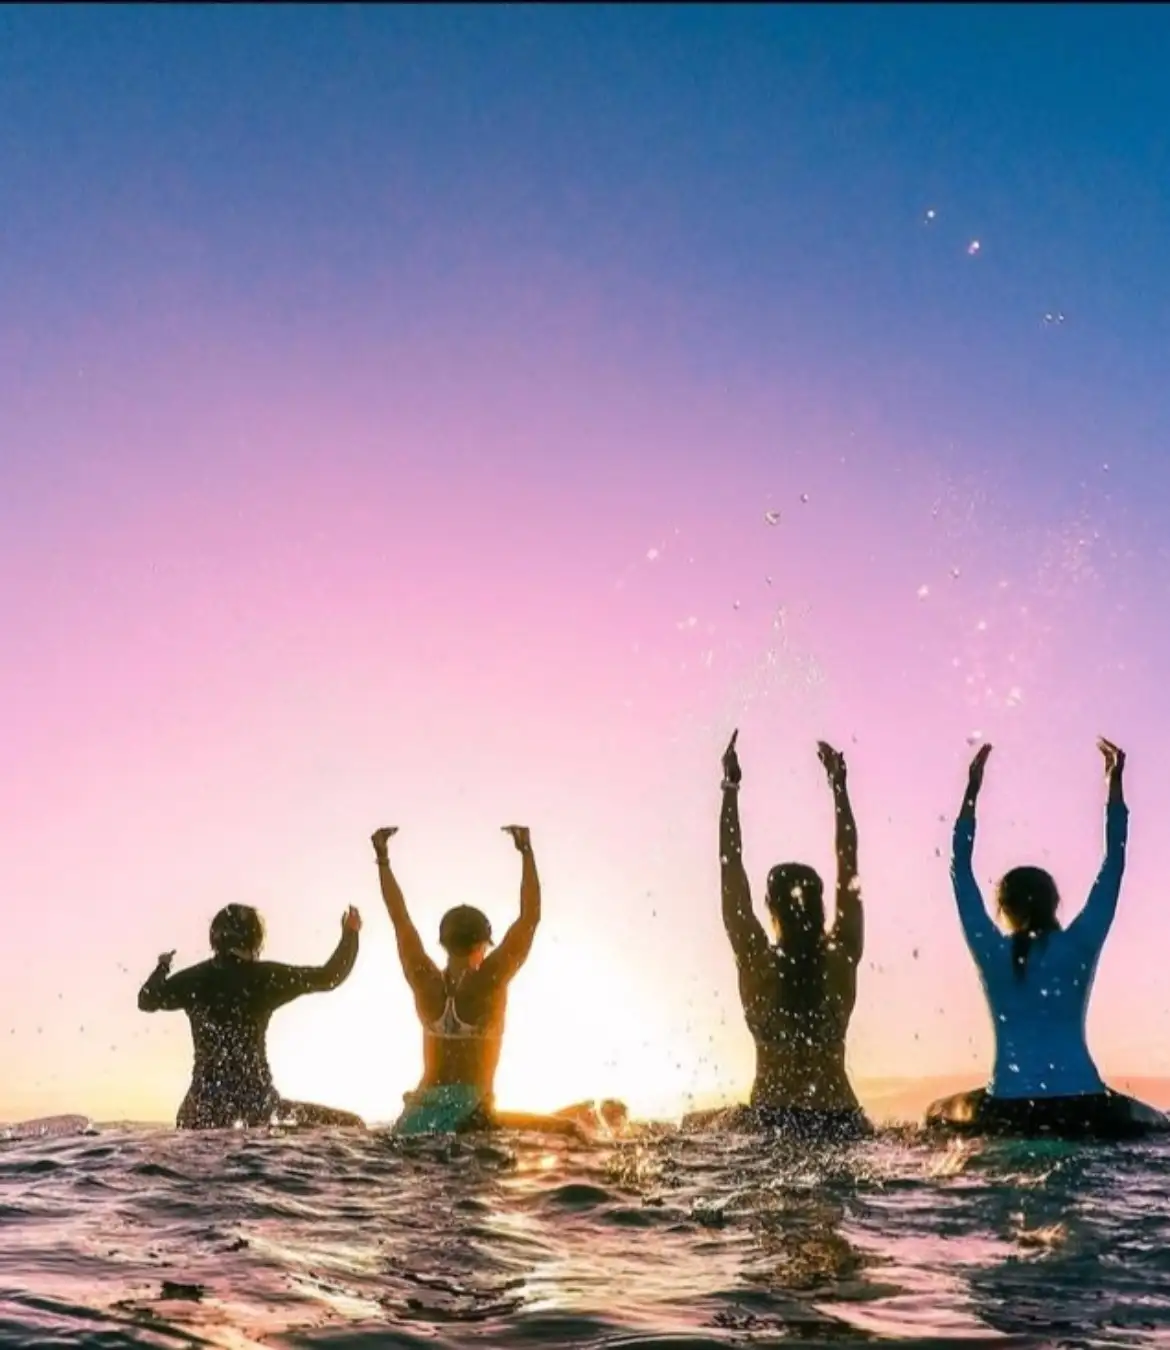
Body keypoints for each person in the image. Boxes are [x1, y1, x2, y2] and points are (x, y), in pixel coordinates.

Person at [927, 738, 1167, 1139]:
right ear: (1056, 901)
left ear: (1001, 908)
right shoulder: (1080, 944)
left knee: (935, 1111)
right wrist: (1114, 785)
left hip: (1005, 1109)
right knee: (1158, 1120)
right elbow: (1114, 864)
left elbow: (961, 872)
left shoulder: (991, 951)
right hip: (1087, 1107)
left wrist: (971, 792)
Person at [685, 731, 870, 1141]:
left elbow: (729, 867)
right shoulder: (843, 955)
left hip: (771, 1123)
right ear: (821, 904)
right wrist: (839, 790)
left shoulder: (755, 960)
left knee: (691, 1125)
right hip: (842, 1122)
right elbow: (848, 862)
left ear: (769, 905)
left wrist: (730, 788)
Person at [373, 823, 582, 1136]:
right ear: (482, 945)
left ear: (443, 942)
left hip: (415, 1120)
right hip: (471, 1117)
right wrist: (526, 852)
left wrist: (383, 858)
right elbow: (530, 917)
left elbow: (399, 916)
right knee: (570, 1130)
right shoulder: (488, 983)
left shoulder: (423, 980)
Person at [138, 903, 365, 1130]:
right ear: (256, 938)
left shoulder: (194, 979)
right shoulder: (266, 978)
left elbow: (146, 1000)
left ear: (215, 938)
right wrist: (351, 933)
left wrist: (163, 966)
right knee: (352, 1125)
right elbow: (329, 976)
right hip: (257, 1107)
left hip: (199, 1110)